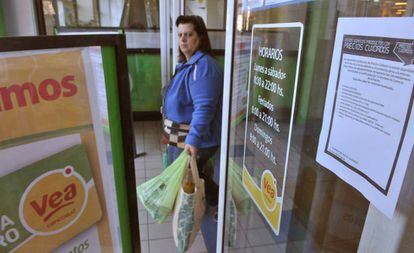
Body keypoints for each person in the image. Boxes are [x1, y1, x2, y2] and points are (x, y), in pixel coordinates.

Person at [161, 15, 223, 252]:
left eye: (189, 35)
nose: (183, 40)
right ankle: (214, 200)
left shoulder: (203, 66)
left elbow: (204, 107)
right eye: (180, 35)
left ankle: (217, 202)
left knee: (193, 176)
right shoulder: (186, 64)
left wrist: (193, 141)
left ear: (200, 37)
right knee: (196, 175)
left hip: (197, 139)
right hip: (181, 137)